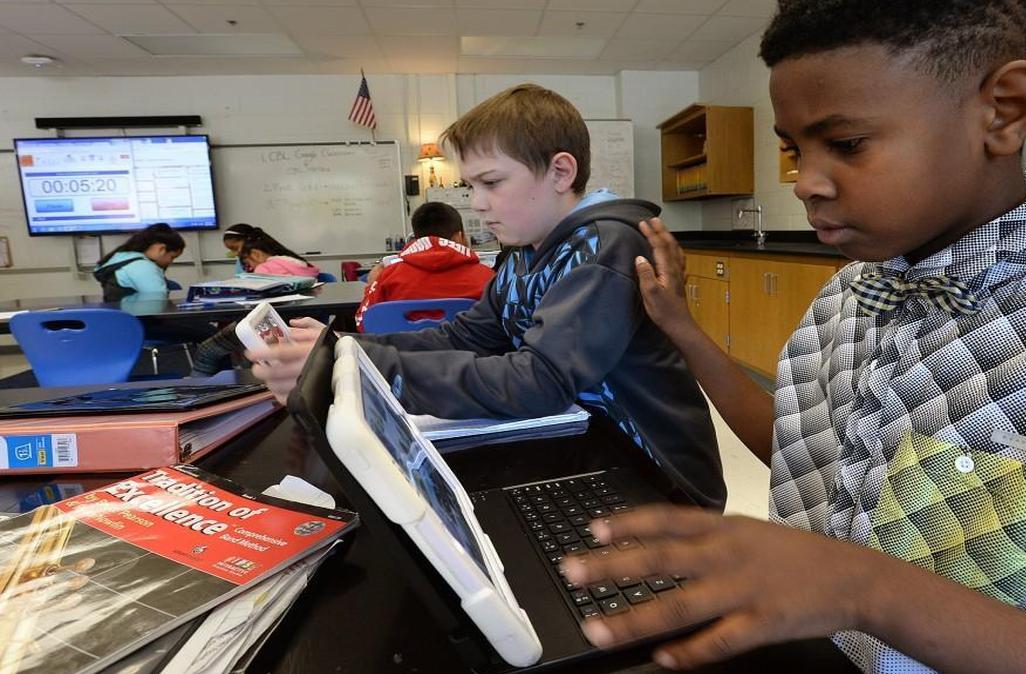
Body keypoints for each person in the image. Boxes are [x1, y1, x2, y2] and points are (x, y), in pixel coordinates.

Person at [559, 2, 1026, 673]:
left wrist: (866, 589)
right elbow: (803, 457)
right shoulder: (848, 295)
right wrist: (683, 331)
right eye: (793, 148)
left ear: (1005, 111)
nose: (805, 183)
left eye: (846, 144)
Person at [248, 84, 726, 510]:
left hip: (657, 479)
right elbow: (470, 333)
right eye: (470, 185)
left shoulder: (605, 247)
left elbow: (538, 382)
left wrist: (358, 368)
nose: (475, 203)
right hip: (582, 448)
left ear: (560, 172)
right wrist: (346, 348)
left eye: (491, 182)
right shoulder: (522, 248)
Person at [354, 201, 496, 331]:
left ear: (416, 238)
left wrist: (370, 286)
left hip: (402, 356)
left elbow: (364, 323)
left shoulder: (388, 275)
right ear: (459, 237)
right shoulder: (487, 277)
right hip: (472, 356)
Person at [93, 223, 185, 301]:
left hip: (121, 317)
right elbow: (159, 299)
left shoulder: (121, 259)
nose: (170, 262)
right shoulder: (142, 266)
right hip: (138, 319)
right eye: (172, 257)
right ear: (161, 249)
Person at [238, 229, 320, 278]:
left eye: (248, 263)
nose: (250, 268)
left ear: (256, 254)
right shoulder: (292, 261)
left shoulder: (263, 268)